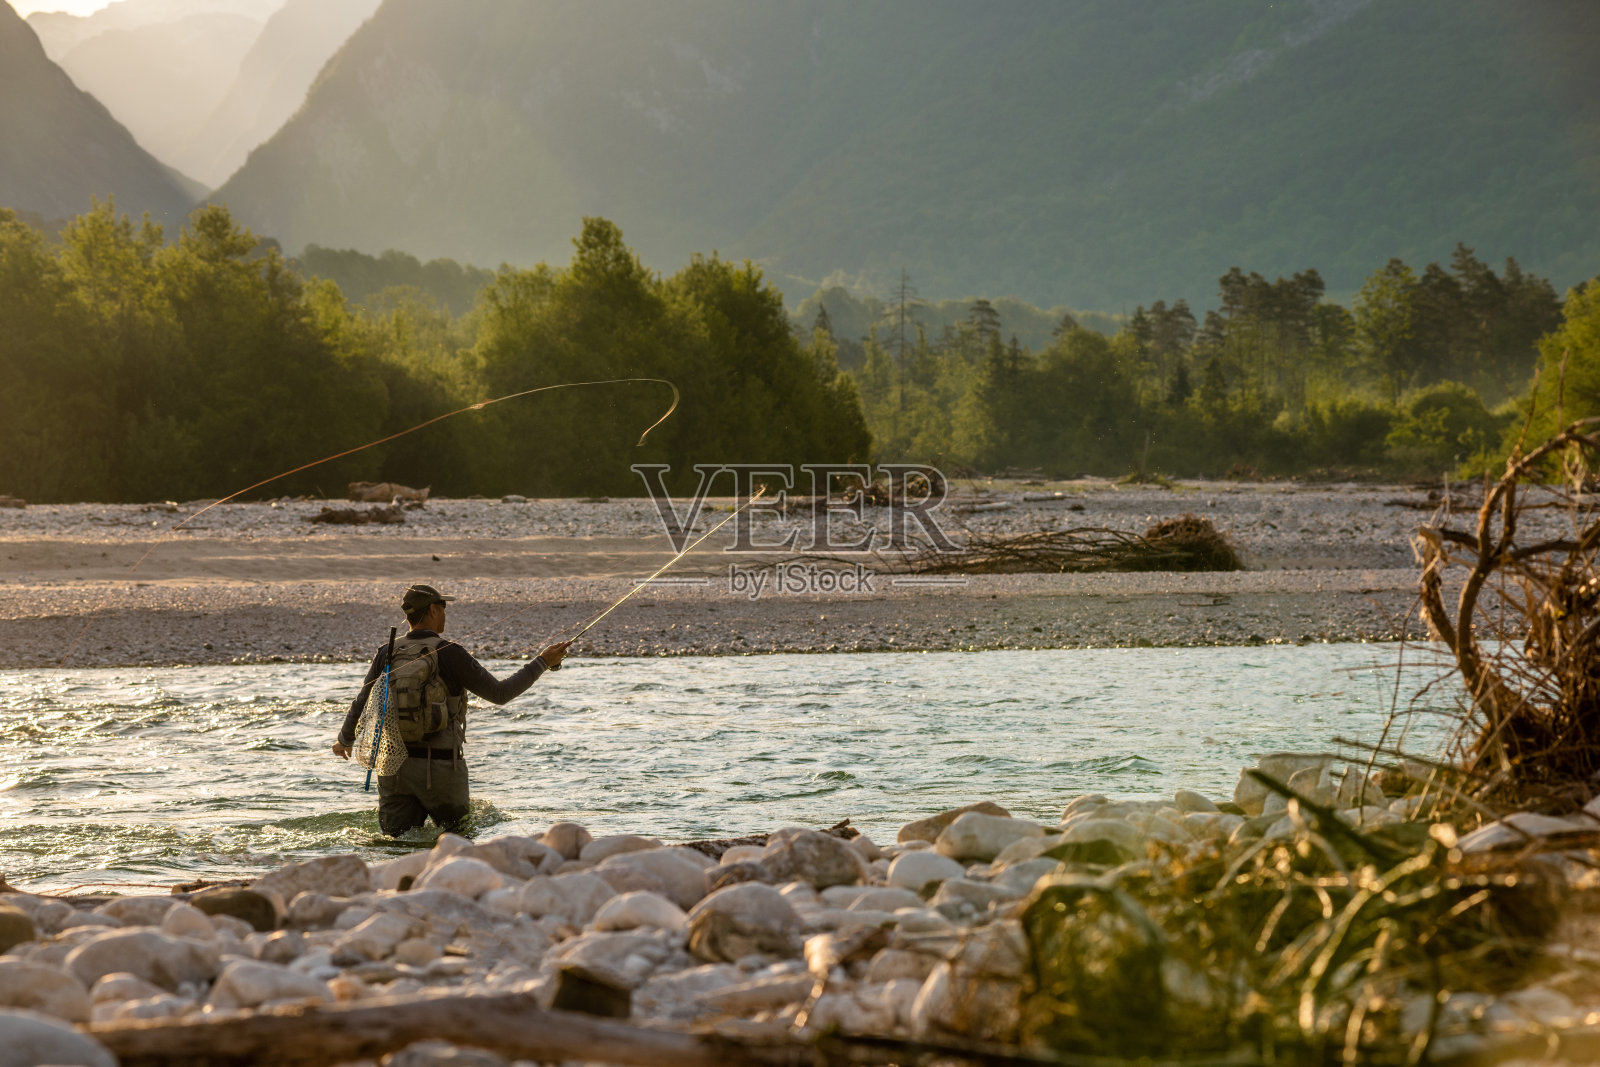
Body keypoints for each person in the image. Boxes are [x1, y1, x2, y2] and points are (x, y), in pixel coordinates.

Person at [333, 583, 570, 836]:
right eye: (443, 607)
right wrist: (542, 662)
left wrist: (344, 740)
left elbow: (362, 700)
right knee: (459, 842)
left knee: (397, 843)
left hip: (394, 771)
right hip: (442, 769)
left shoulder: (387, 652)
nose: (445, 613)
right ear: (433, 610)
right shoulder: (449, 652)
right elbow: (500, 694)